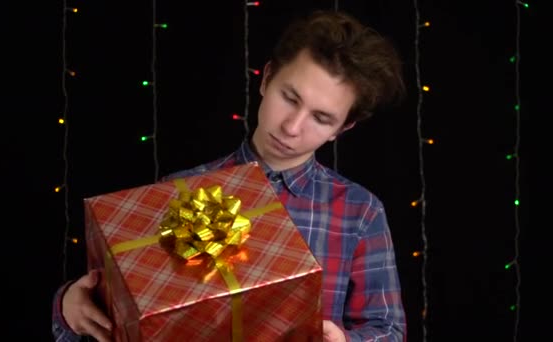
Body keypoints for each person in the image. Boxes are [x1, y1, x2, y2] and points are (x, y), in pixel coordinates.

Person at [52, 9, 407, 342]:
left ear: (341, 128)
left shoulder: (361, 212)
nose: (292, 126)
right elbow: (128, 304)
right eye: (290, 97)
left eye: (321, 118)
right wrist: (67, 305)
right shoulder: (178, 191)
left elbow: (388, 329)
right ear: (266, 78)